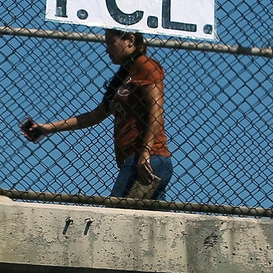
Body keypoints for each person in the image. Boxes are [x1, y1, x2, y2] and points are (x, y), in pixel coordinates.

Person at [22, 30, 173, 200]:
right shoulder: (123, 77)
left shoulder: (146, 66)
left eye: (110, 43)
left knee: (115, 217)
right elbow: (94, 116)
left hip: (147, 159)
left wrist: (145, 153)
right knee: (144, 223)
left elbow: (156, 111)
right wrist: (48, 128)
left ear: (130, 40)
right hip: (136, 160)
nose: (107, 49)